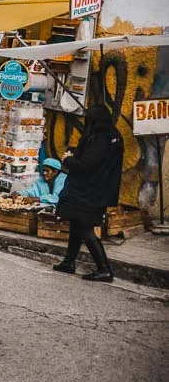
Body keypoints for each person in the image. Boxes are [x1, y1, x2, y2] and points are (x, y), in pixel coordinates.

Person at [53, 105, 123, 282]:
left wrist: (68, 159)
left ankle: (104, 269)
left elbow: (86, 165)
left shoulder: (102, 139)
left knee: (85, 227)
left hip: (89, 191)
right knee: (77, 224)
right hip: (96, 189)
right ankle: (69, 262)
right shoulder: (112, 136)